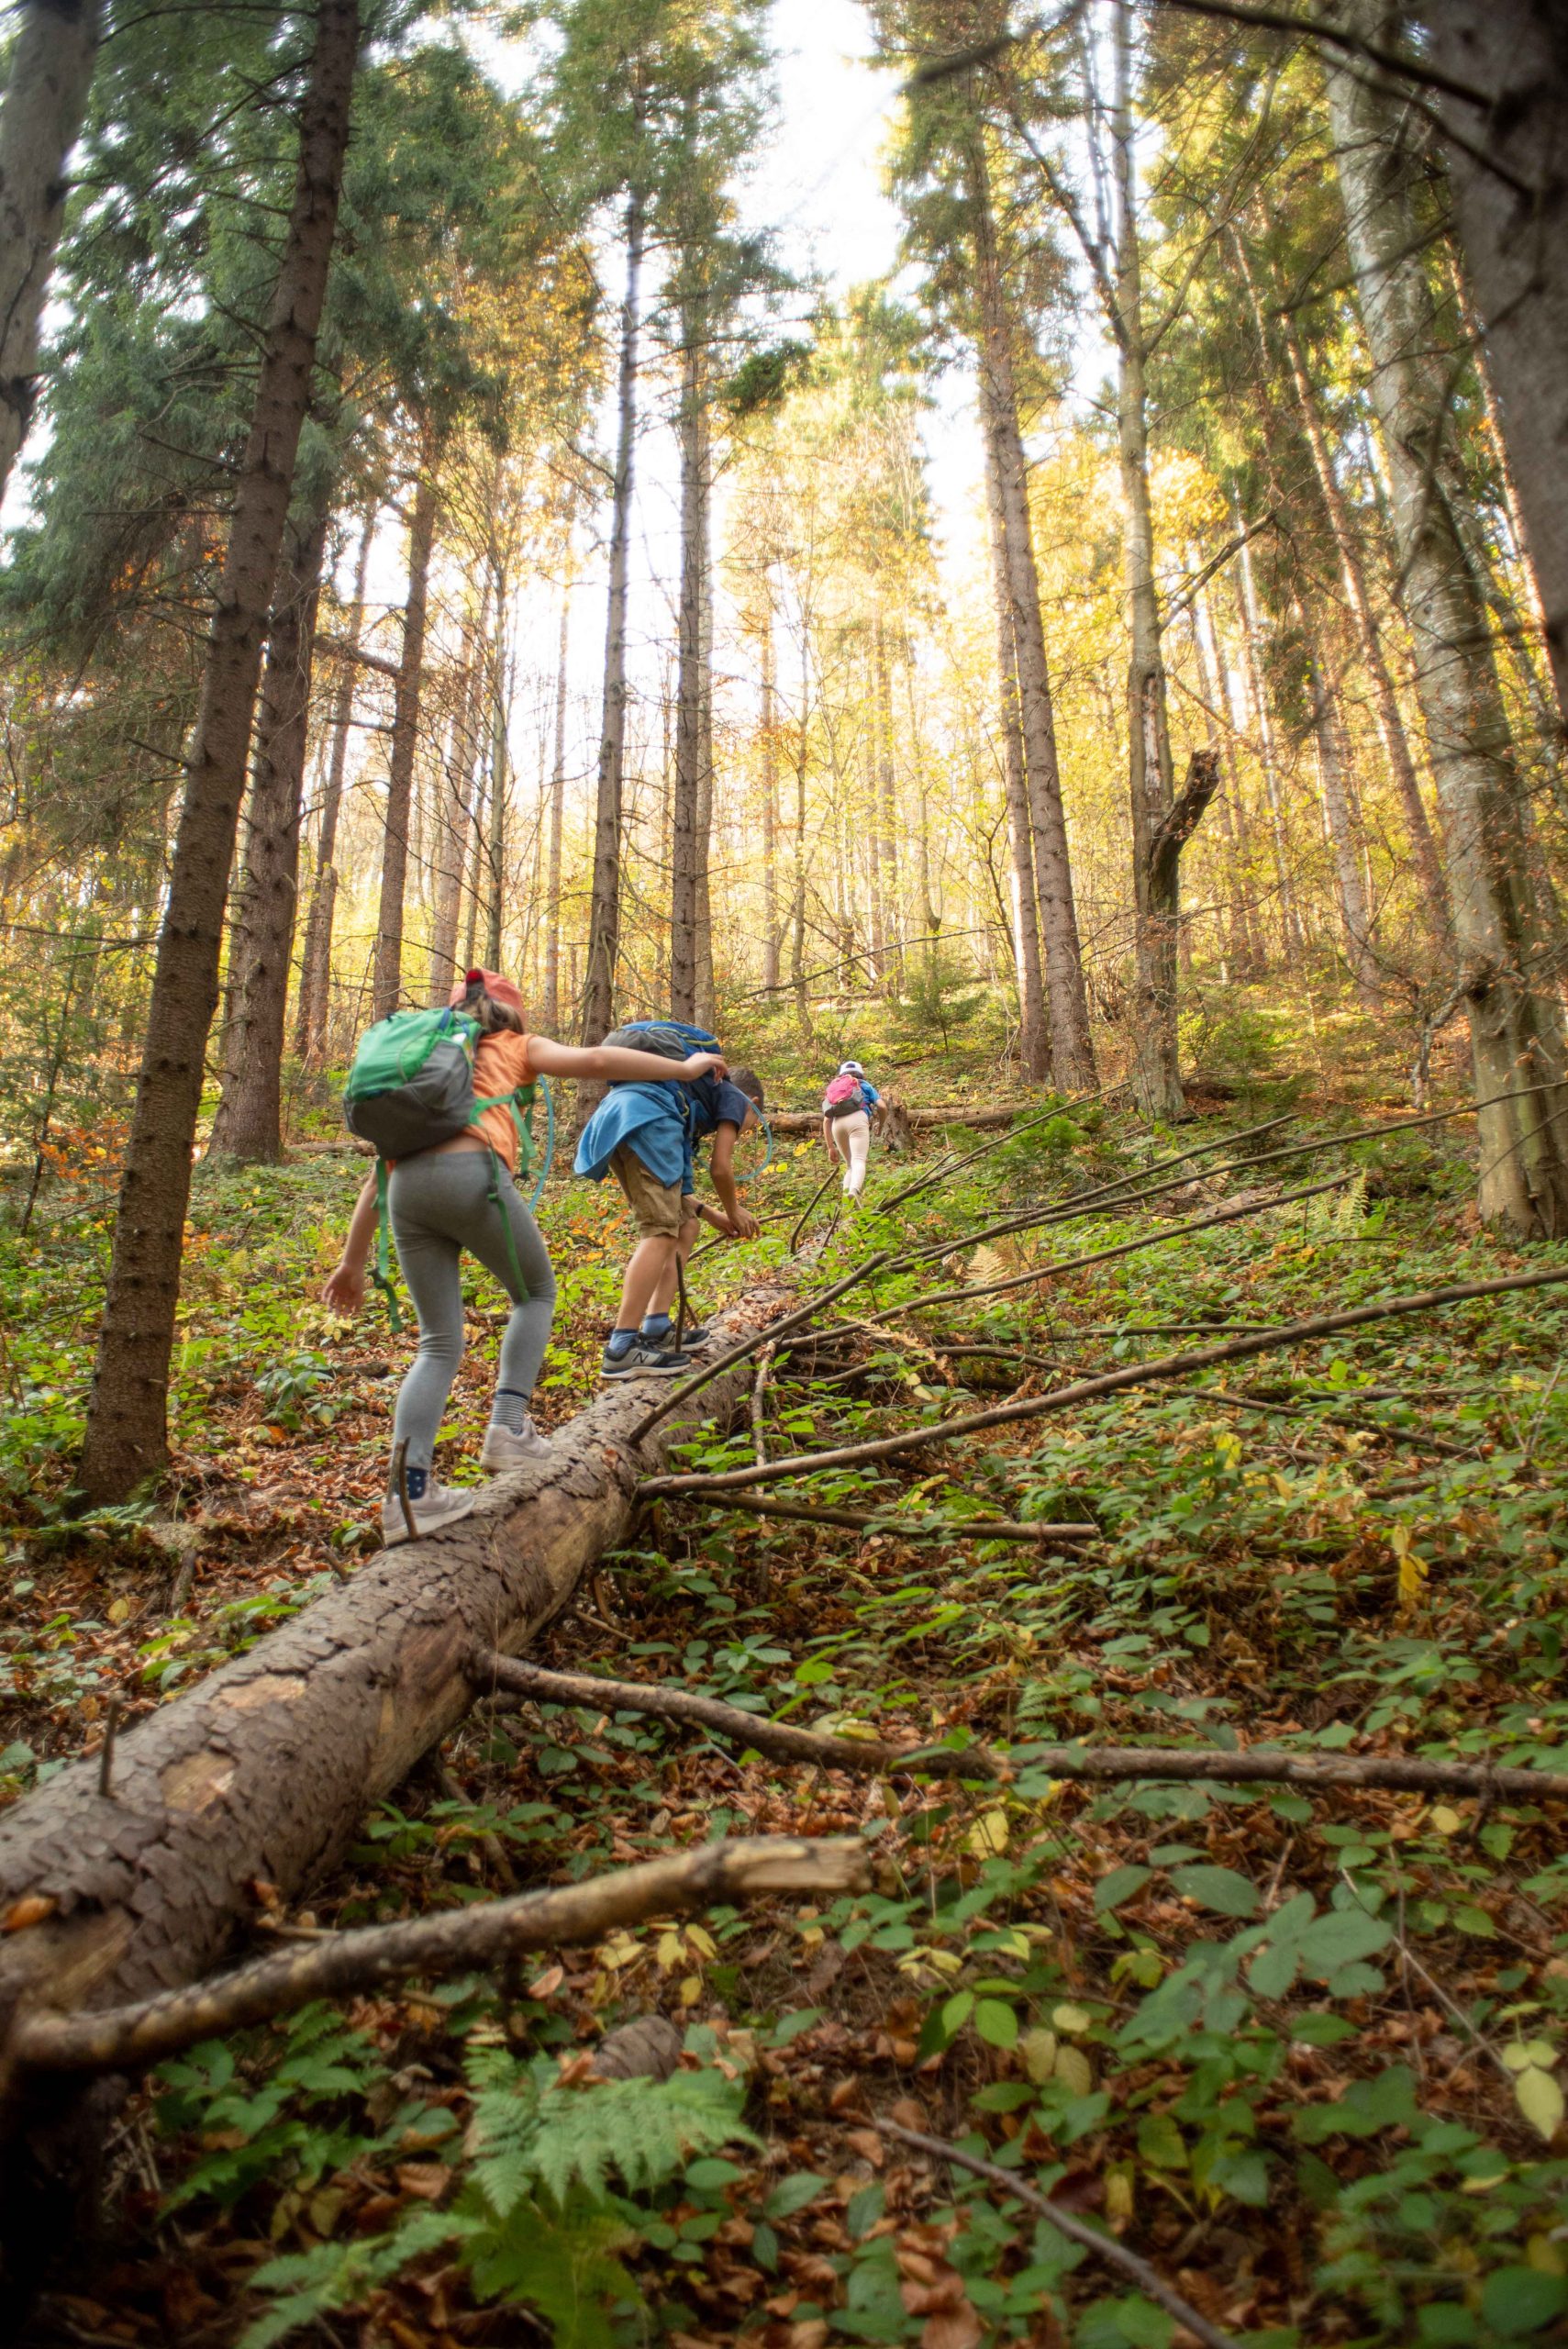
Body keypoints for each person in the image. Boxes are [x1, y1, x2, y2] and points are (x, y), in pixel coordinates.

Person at [323, 970, 728, 1543]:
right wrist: (685, 1068)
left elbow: (376, 1180)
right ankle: (508, 1428)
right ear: (511, 1014)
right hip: (472, 1176)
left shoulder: (421, 1069)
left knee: (437, 1344)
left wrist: (351, 1262)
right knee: (535, 1295)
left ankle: (406, 1497)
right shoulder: (512, 1046)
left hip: (406, 1193)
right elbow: (595, 1061)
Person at [575, 1054, 765, 1377]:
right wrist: (734, 1209)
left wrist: (710, 1213)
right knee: (660, 1233)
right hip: (647, 1123)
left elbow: (673, 1191)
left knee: (686, 1226)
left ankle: (656, 1325)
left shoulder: (685, 1099)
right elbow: (721, 1167)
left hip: (621, 1119)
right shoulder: (735, 1098)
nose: (743, 1131)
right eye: (751, 1125)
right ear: (754, 1104)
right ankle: (621, 1346)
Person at [820, 1058, 880, 1199]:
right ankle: (854, 1191)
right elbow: (882, 1106)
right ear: (861, 1074)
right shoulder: (865, 1085)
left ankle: (848, 1206)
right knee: (858, 1159)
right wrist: (882, 1124)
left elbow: (826, 1119)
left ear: (841, 1074)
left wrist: (830, 1147)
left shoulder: (835, 1089)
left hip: (837, 1124)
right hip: (858, 1119)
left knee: (849, 1166)